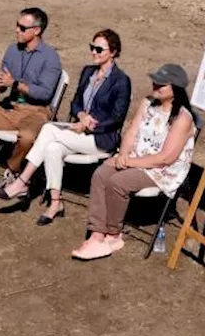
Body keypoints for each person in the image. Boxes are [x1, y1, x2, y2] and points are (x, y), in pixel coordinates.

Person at [0, 29, 132, 225]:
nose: (94, 52)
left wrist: (90, 123)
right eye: (92, 47)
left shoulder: (121, 81)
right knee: (52, 148)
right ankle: (55, 204)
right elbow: (75, 103)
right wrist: (81, 115)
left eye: (99, 49)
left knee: (49, 129)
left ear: (113, 52)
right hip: (78, 130)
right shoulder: (88, 72)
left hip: (100, 138)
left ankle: (22, 180)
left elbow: (117, 117)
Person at [72, 63, 197, 260]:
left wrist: (128, 162)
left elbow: (165, 158)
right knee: (101, 173)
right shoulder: (147, 103)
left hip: (161, 170)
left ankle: (113, 235)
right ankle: (96, 233)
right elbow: (131, 132)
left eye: (161, 84)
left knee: (118, 182)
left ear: (176, 89)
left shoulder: (182, 118)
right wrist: (122, 155)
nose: (155, 86)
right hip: (137, 158)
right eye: (155, 82)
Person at [0, 7, 62, 197]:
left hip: (36, 111)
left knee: (27, 137)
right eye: (17, 25)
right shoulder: (12, 50)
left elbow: (44, 94)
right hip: (12, 107)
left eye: (23, 28)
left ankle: (13, 170)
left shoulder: (50, 57)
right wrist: (0, 85)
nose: (17, 30)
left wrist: (15, 83)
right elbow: (3, 85)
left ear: (37, 31)